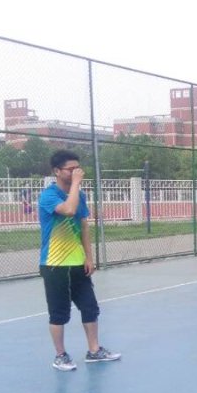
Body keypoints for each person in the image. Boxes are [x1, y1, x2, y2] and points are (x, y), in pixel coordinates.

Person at [39, 150, 120, 371]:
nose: (77, 172)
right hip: (54, 264)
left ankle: (94, 351)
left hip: (77, 263)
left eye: (78, 168)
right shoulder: (48, 196)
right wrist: (76, 184)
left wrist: (89, 257)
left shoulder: (80, 195)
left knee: (90, 307)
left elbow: (84, 226)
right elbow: (68, 209)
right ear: (57, 171)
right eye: (71, 169)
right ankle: (60, 355)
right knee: (59, 313)